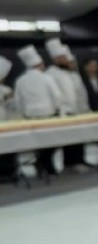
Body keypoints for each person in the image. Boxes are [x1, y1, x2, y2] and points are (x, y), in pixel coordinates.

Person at [14, 45, 63, 178]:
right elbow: (57, 96)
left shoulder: (20, 80)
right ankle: (47, 166)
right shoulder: (46, 78)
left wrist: (23, 113)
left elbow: (18, 100)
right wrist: (57, 110)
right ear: (40, 64)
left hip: (30, 116)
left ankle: (41, 165)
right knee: (51, 143)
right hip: (48, 114)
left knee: (38, 143)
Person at [45, 39, 92, 173]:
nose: (68, 61)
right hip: (62, 112)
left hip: (76, 111)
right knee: (66, 140)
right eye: (64, 58)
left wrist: (84, 109)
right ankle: (69, 163)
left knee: (78, 138)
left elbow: (80, 93)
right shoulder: (50, 74)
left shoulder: (72, 74)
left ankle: (78, 161)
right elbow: (54, 95)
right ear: (57, 59)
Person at [0, 56, 17, 181]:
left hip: (6, 122)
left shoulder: (6, 89)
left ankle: (9, 172)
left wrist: (11, 99)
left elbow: (12, 105)